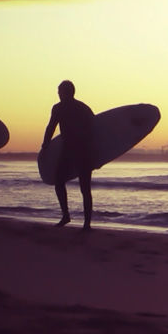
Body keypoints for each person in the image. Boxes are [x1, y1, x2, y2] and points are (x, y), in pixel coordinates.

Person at [43, 80, 96, 229]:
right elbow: (51, 127)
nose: (58, 94)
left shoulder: (64, 108)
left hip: (79, 151)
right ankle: (73, 219)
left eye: (60, 91)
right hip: (76, 151)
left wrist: (45, 145)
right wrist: (45, 145)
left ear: (67, 92)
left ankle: (83, 222)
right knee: (67, 184)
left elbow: (51, 127)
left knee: (82, 187)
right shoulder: (81, 108)